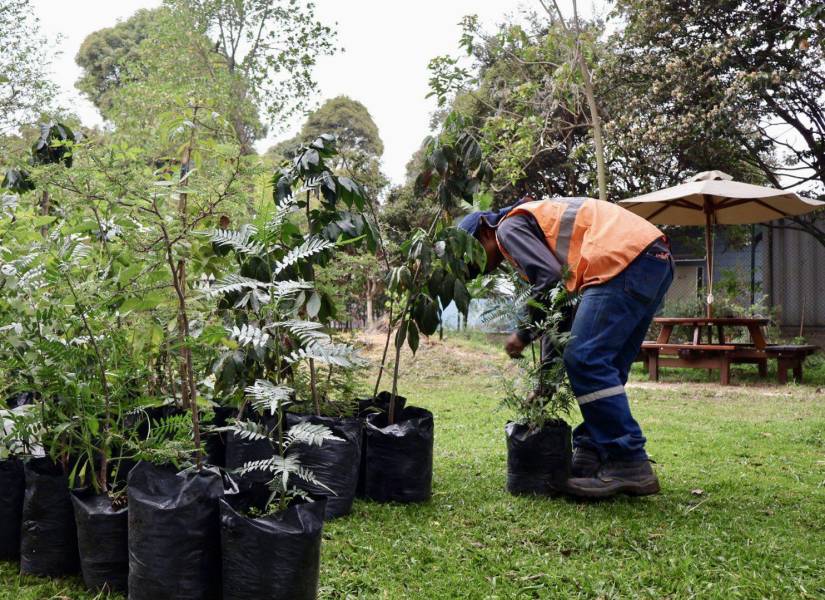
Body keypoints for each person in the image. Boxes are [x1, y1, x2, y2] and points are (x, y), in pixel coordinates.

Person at [459, 196, 674, 498]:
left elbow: (547, 282)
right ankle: (592, 451)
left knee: (585, 359)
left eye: (473, 257)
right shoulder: (533, 227)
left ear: (484, 231)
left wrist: (522, 334)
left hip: (623, 259)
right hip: (653, 259)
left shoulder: (507, 229)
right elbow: (560, 308)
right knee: (605, 364)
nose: (480, 268)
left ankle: (628, 461)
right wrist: (546, 380)